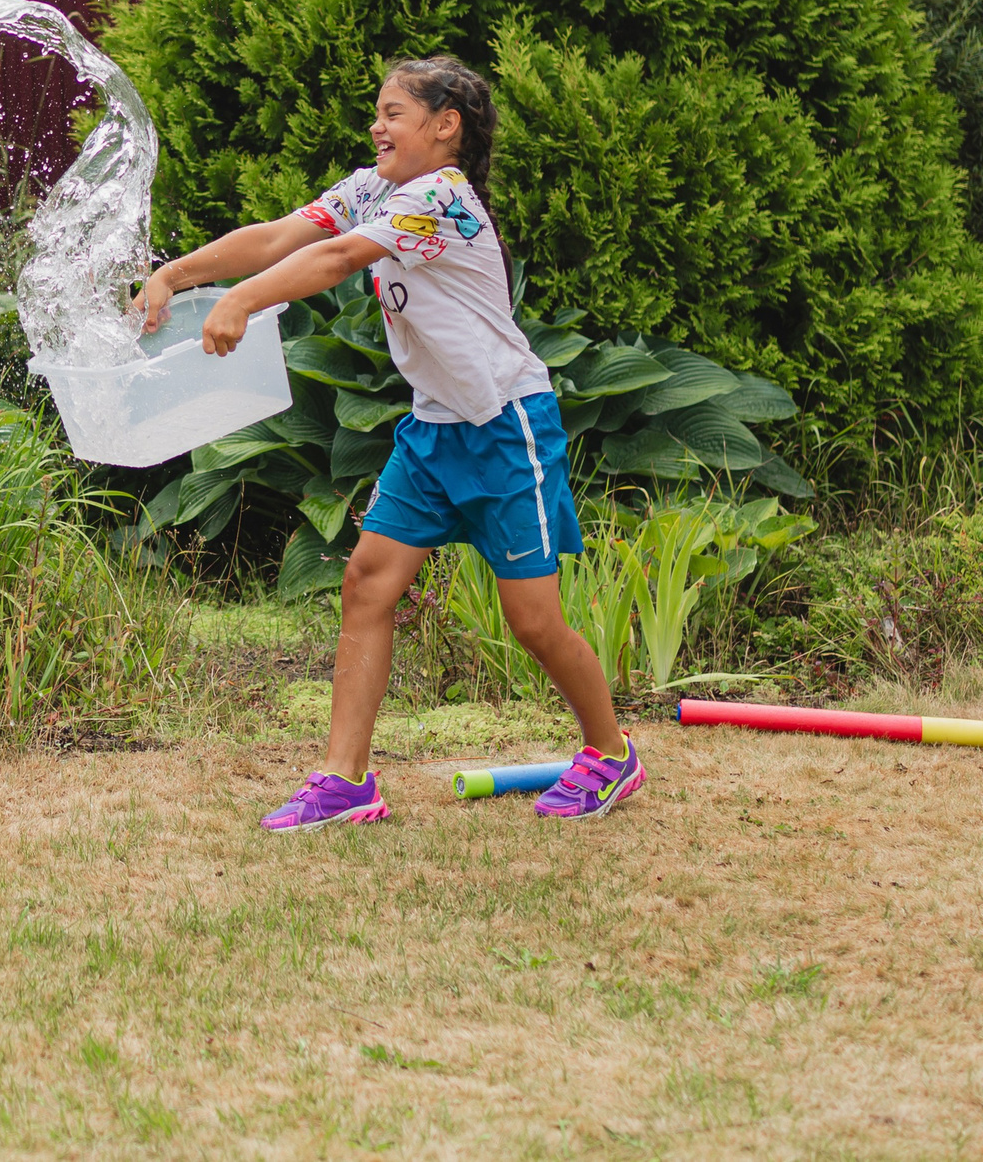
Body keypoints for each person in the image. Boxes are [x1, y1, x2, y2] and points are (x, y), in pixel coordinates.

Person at [131, 57, 642, 832]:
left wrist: (238, 302)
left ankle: (610, 754)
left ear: (446, 126)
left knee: (534, 621)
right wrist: (177, 273)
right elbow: (279, 237)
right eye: (377, 111)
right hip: (433, 430)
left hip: (506, 425)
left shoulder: (444, 198)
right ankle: (345, 781)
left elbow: (336, 260)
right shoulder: (374, 188)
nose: (377, 125)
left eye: (394, 112)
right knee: (368, 581)